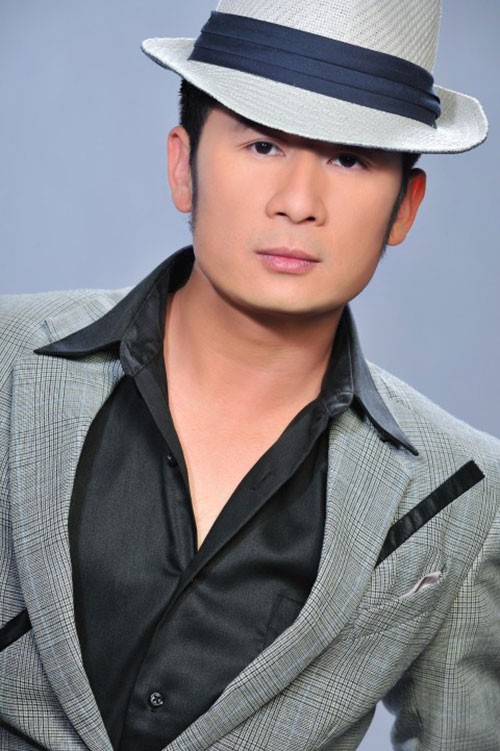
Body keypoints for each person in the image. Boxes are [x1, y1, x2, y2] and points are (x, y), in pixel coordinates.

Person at [1, 1, 499, 750]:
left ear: (405, 206)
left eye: (349, 159)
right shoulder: (9, 357)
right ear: (184, 166)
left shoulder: (466, 494)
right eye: (263, 145)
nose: (298, 203)